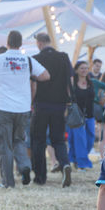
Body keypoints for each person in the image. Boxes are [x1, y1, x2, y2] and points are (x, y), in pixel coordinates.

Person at [0, 31, 49, 188]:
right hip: (22, 108)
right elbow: (46, 76)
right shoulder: (28, 60)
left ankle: (8, 182)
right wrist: (28, 77)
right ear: (20, 44)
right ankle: (24, 165)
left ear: (7, 43)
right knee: (19, 140)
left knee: (5, 145)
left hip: (4, 107)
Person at [31, 32, 72, 187]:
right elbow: (70, 81)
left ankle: (40, 177)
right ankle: (65, 164)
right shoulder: (63, 57)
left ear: (40, 43)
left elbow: (33, 83)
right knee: (59, 139)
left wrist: (32, 101)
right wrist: (69, 102)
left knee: (39, 140)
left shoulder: (36, 59)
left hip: (41, 105)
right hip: (59, 105)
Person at [67, 60, 95, 170]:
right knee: (79, 139)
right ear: (76, 70)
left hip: (90, 114)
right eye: (82, 68)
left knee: (90, 138)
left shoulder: (91, 82)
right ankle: (83, 163)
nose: (84, 70)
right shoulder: (72, 83)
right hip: (76, 115)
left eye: (86, 68)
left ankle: (73, 158)